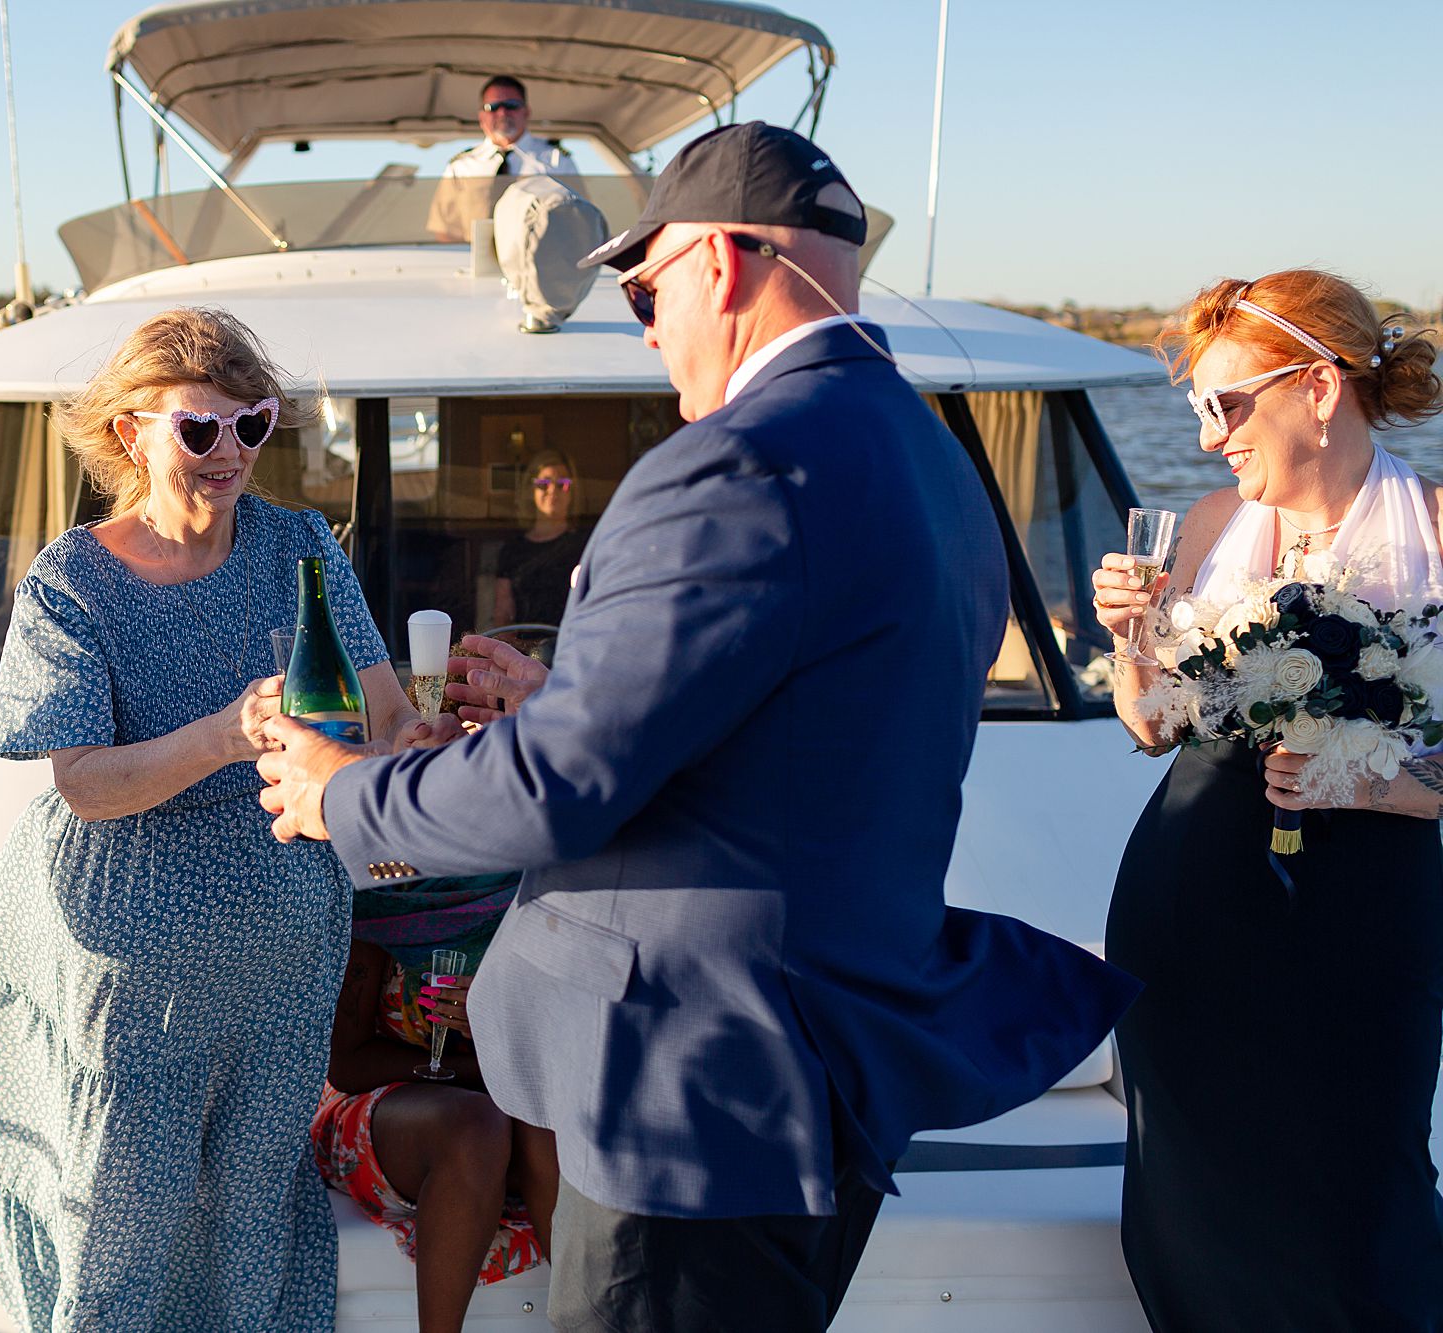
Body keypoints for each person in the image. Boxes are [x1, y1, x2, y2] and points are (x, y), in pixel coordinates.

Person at [258, 123, 1137, 1332]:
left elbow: (555, 792)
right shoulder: (933, 459)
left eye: (644, 285)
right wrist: (559, 700)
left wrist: (337, 791)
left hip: (686, 1082)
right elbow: (796, 724)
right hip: (825, 1062)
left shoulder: (733, 464)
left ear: (719, 264)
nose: (643, 319)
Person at [0, 307, 432, 1332]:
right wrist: (223, 733)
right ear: (131, 433)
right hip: (131, 967)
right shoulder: (70, 580)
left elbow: (382, 712)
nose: (231, 453)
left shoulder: (298, 545)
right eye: (199, 430)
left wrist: (426, 736)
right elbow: (84, 784)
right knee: (122, 1212)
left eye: (252, 424)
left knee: (250, 1205)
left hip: (283, 957)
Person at [1092, 271, 1443, 1331]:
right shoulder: (1202, 525)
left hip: (1364, 924)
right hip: (1191, 905)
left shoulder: (1434, 529)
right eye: (1195, 409)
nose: (1208, 437)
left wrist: (1385, 788)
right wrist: (1127, 640)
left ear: (1319, 388)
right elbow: (1148, 725)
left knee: (1357, 1197)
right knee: (1188, 1198)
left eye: (1225, 403)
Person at [313, 872, 557, 1332]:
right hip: (384, 1102)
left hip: (518, 1093)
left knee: (541, 1126)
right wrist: (464, 1070)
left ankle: (584, 1321)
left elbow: (568, 1051)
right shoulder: (386, 895)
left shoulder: (542, 890)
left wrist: (497, 1022)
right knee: (475, 1126)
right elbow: (347, 1067)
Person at [427, 75, 578, 243]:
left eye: (511, 105)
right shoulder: (461, 167)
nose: (502, 112)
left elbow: (579, 221)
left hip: (540, 265)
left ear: (526, 112)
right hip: (473, 264)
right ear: (481, 116)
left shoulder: (556, 162)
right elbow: (445, 230)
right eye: (493, 107)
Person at [493, 449, 587, 628]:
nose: (552, 490)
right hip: (522, 651)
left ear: (572, 491)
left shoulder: (585, 545)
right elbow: (502, 615)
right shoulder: (512, 549)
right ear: (530, 490)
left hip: (569, 647)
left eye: (562, 483)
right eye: (543, 483)